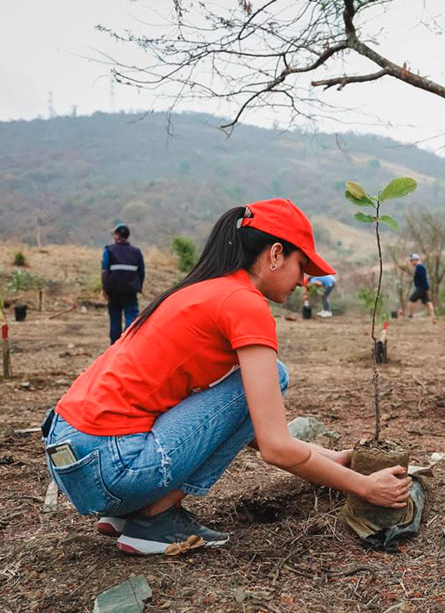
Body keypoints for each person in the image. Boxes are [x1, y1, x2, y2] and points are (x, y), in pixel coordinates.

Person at [42, 199, 411, 555]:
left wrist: (331, 458)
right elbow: (275, 447)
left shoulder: (200, 290)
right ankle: (152, 518)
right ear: (276, 253)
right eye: (302, 267)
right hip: (111, 468)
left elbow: (224, 426)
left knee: (249, 390)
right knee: (274, 376)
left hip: (74, 459)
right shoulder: (244, 302)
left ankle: (131, 510)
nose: (303, 283)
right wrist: (364, 487)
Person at [102, 224, 145, 344]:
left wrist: (105, 289)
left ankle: (115, 345)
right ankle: (128, 343)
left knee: (115, 319)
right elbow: (141, 271)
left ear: (117, 235)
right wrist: (140, 287)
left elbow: (105, 271)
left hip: (113, 291)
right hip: (130, 291)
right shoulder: (136, 252)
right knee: (131, 316)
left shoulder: (109, 250)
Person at [406, 254, 436, 322]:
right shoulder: (420, 267)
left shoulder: (420, 267)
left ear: (416, 260)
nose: (411, 262)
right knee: (427, 302)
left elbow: (423, 279)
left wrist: (426, 288)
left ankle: (411, 315)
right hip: (423, 287)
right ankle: (433, 316)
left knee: (411, 300)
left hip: (421, 287)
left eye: (412, 260)